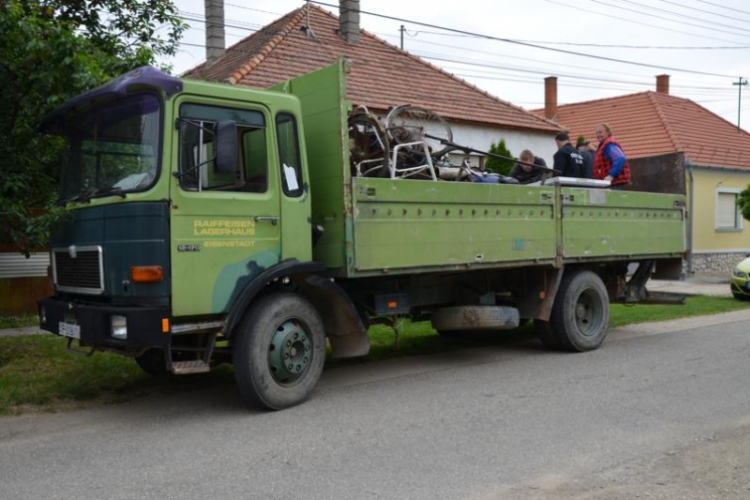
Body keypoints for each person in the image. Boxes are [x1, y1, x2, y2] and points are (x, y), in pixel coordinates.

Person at [593, 123, 631, 189]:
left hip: (615, 183)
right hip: (609, 183)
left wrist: (611, 175)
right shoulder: (603, 146)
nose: (598, 135)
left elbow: (620, 158)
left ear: (608, 133)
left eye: (600, 132)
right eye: (596, 133)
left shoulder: (609, 145)